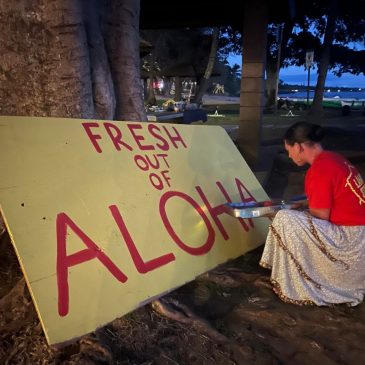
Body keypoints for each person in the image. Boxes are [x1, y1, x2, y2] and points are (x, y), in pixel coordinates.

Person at [260, 122, 365, 306]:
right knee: (291, 214)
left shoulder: (319, 169)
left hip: (350, 242)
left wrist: (289, 212)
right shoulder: (334, 159)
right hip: (359, 236)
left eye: (289, 150)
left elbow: (319, 216)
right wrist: (302, 205)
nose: (290, 155)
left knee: (285, 218)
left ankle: (294, 284)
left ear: (299, 146)